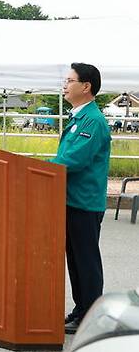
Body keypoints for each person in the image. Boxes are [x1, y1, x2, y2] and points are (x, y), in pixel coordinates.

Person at [51, 63, 111, 335]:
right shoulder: (79, 117)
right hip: (72, 200)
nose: (64, 85)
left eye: (69, 80)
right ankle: (80, 310)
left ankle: (90, 315)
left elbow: (73, 159)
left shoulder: (93, 120)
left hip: (84, 203)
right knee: (75, 260)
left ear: (85, 86)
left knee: (86, 261)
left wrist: (44, 166)